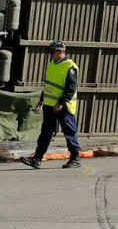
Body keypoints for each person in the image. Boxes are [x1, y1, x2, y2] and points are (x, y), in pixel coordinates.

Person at [20, 40, 82, 169]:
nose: (51, 55)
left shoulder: (70, 67)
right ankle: (37, 158)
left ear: (61, 51)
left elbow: (71, 89)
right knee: (45, 132)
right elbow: (49, 84)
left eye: (52, 52)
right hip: (49, 105)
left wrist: (60, 102)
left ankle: (75, 158)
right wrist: (42, 99)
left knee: (69, 132)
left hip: (64, 106)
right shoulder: (52, 64)